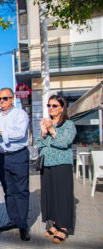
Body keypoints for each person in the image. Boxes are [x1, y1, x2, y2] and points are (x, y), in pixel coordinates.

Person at [0, 87, 30, 241]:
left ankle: (23, 225)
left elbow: (20, 134)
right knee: (8, 190)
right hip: (1, 157)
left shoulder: (21, 114)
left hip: (18, 156)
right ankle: (13, 220)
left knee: (21, 191)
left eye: (5, 98)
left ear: (12, 99)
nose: (1, 102)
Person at [35, 95, 76, 244]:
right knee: (50, 195)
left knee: (62, 196)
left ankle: (64, 227)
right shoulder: (47, 124)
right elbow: (39, 144)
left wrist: (52, 130)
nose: (50, 108)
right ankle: (54, 223)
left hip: (61, 164)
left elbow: (64, 142)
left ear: (62, 108)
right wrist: (43, 132)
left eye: (54, 106)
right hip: (47, 164)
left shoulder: (68, 125)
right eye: (49, 105)